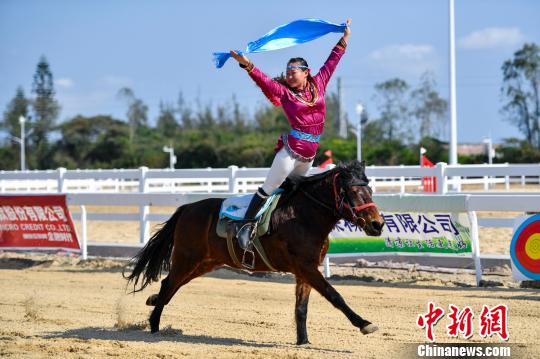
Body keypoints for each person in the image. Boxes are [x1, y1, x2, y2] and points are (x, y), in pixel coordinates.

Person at [229, 19, 352, 250]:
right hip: (291, 152)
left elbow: (332, 61)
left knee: (293, 193)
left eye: (293, 71)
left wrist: (344, 37)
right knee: (269, 188)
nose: (289, 75)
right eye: (287, 72)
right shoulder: (285, 93)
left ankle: (281, 230)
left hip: (309, 155)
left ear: (306, 73)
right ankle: (244, 227)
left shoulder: (320, 83)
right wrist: (246, 64)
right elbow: (263, 79)